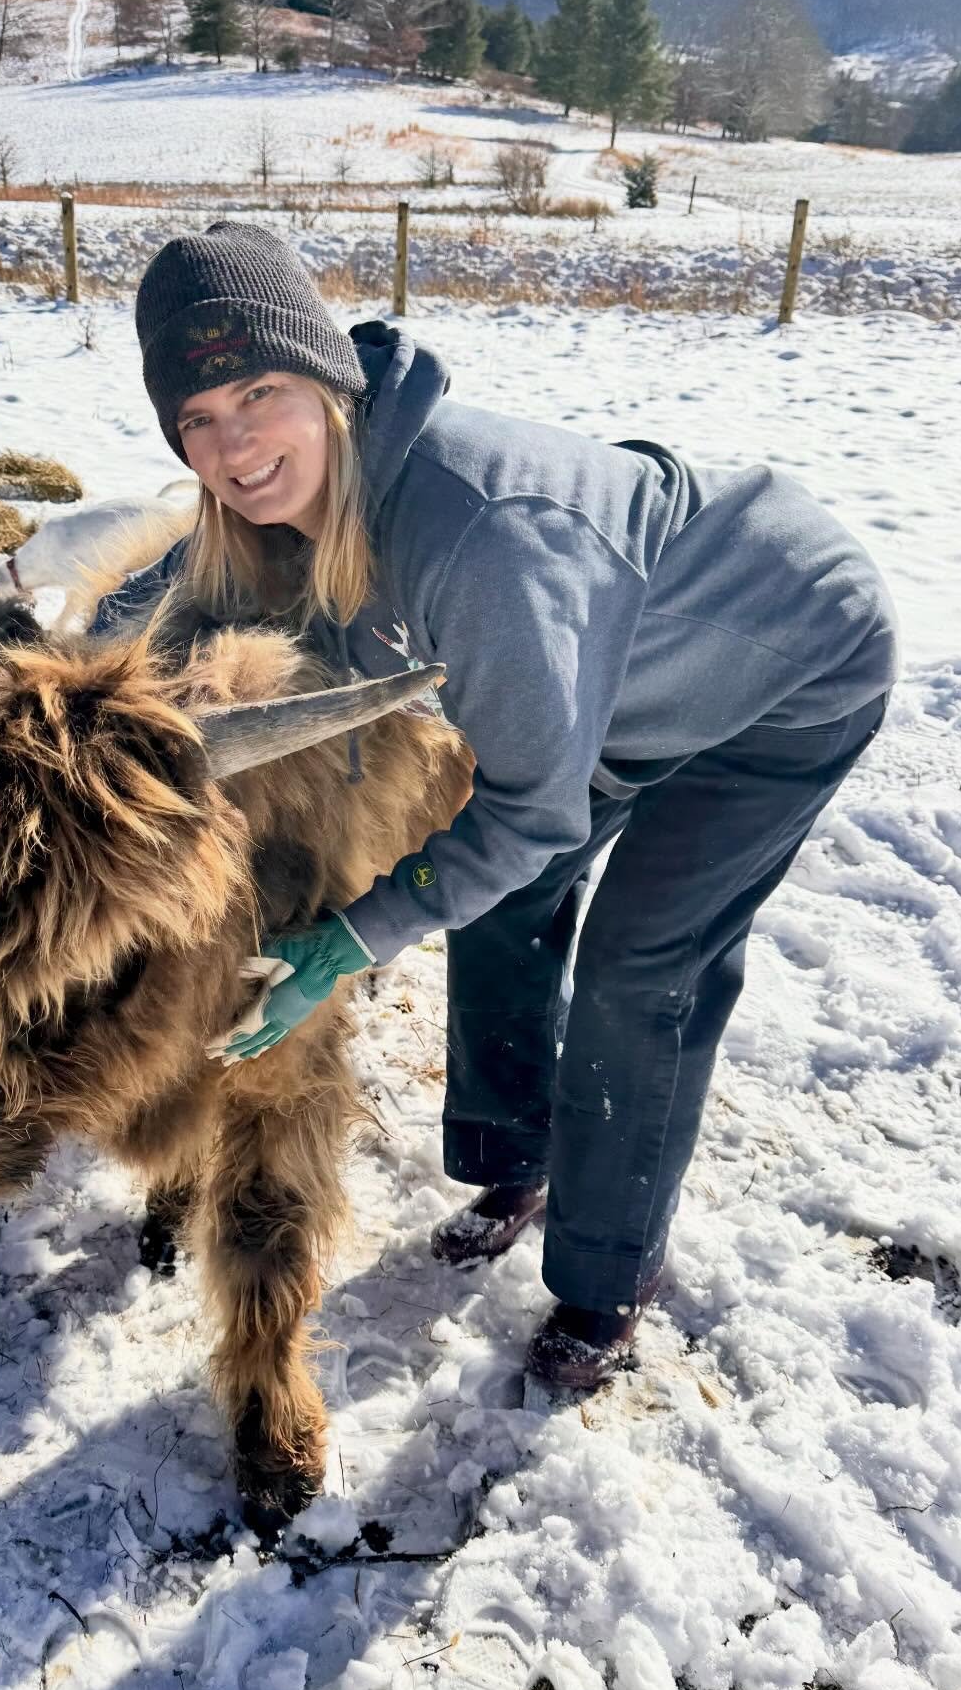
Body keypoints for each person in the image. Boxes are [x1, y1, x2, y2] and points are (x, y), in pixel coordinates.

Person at [114, 221, 897, 1397]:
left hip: (787, 665)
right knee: (499, 899)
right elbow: (176, 590)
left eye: (259, 392)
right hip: (613, 679)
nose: (233, 445)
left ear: (326, 378)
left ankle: (606, 1277)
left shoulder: (479, 538)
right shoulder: (294, 499)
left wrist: (350, 941)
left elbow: (531, 812)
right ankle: (513, 1156)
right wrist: (21, 667)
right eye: (198, 418)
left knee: (644, 966)